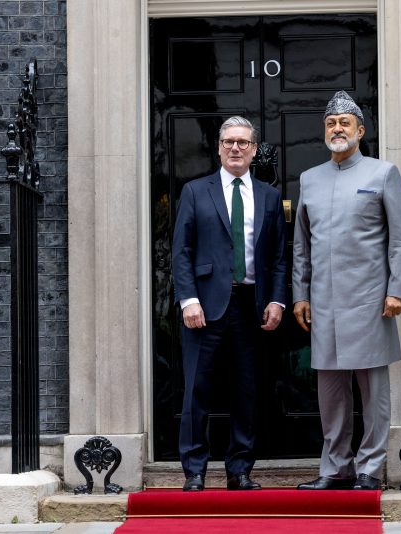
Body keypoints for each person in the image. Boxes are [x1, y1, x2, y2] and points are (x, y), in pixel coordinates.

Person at [292, 91, 401, 490]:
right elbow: (302, 245)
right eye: (331, 123)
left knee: (372, 391)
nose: (337, 128)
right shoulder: (309, 179)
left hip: (371, 301)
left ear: (361, 130)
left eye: (345, 122)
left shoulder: (382, 173)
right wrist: (300, 294)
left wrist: (398, 290)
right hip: (324, 303)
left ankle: (369, 469)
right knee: (330, 392)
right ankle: (335, 468)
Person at [172, 116, 287, 491]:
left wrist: (278, 300)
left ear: (254, 149)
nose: (235, 148)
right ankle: (195, 470)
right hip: (204, 307)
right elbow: (182, 251)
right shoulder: (194, 191)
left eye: (242, 142)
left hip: (251, 306)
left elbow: (279, 257)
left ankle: (239, 469)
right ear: (219, 147)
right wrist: (188, 299)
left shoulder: (269, 197)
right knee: (197, 390)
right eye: (228, 142)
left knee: (246, 390)